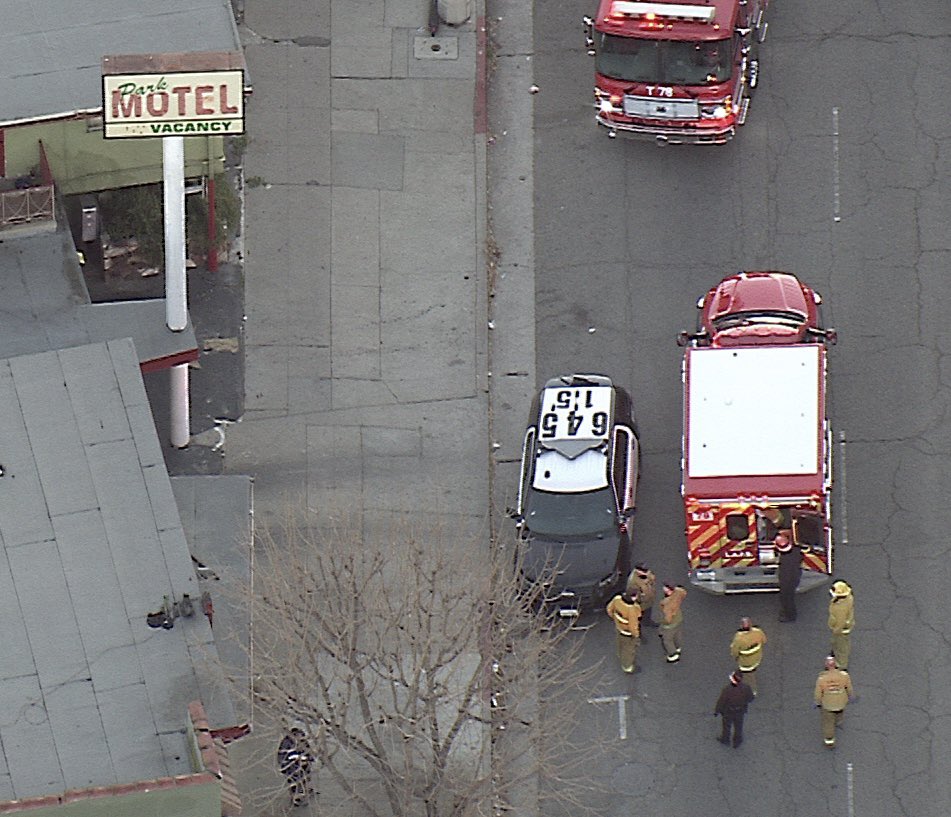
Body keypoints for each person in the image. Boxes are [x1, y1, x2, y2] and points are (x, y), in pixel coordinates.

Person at [814, 655, 854, 748]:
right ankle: (838, 721)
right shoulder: (844, 675)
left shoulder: (822, 678)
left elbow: (818, 693)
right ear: (836, 664)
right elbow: (849, 687)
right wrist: (850, 696)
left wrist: (818, 702)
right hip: (841, 701)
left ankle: (829, 741)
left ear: (826, 665)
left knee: (828, 723)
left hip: (828, 704)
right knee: (840, 711)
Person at [714, 670, 755, 748]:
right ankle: (737, 741)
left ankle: (725, 739)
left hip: (728, 711)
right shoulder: (746, 688)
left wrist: (717, 711)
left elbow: (722, 701)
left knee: (726, 726)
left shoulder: (727, 689)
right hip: (740, 711)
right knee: (738, 726)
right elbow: (751, 698)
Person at [277, 727, 316, 806]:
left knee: (305, 776)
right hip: (290, 765)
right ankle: (295, 797)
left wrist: (310, 759)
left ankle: (305, 789)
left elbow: (308, 750)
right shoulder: (287, 742)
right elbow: (287, 756)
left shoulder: (302, 741)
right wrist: (304, 758)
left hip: (300, 763)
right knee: (294, 780)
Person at [606, 590, 642, 673]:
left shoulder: (617, 599)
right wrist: (636, 635)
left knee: (620, 643)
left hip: (619, 628)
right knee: (628, 650)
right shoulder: (633, 609)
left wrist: (616, 619)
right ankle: (627, 666)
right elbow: (633, 625)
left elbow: (609, 609)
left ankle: (620, 655)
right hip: (628, 633)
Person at [729, 617, 767, 696]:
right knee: (752, 670)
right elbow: (764, 640)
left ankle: (753, 691)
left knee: (749, 677)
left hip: (746, 663)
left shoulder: (739, 638)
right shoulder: (758, 632)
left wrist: (736, 657)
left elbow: (734, 651)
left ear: (741, 626)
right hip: (757, 658)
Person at [775, 531, 802, 621]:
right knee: (789, 597)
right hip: (795, 577)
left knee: (786, 598)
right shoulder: (796, 550)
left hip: (788, 580)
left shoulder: (785, 558)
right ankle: (788, 613)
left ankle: (789, 616)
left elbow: (785, 573)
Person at [828, 580, 855, 669]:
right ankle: (836, 654)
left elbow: (840, 622)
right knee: (840, 644)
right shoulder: (849, 598)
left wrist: (836, 631)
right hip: (846, 626)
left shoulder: (840, 607)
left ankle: (841, 665)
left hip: (841, 630)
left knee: (841, 647)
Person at [659, 583, 687, 663]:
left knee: (667, 640)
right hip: (678, 618)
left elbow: (667, 618)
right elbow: (683, 592)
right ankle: (678, 647)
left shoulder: (667, 604)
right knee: (677, 634)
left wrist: (664, 623)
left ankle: (673, 654)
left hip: (670, 624)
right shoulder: (678, 593)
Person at [625, 562, 658, 627]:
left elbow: (652, 578)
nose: (647, 572)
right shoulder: (633, 581)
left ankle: (647, 622)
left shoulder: (646, 572)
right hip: (640, 603)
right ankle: (638, 632)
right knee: (637, 619)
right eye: (644, 571)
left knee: (648, 612)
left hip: (648, 600)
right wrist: (640, 600)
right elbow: (631, 594)